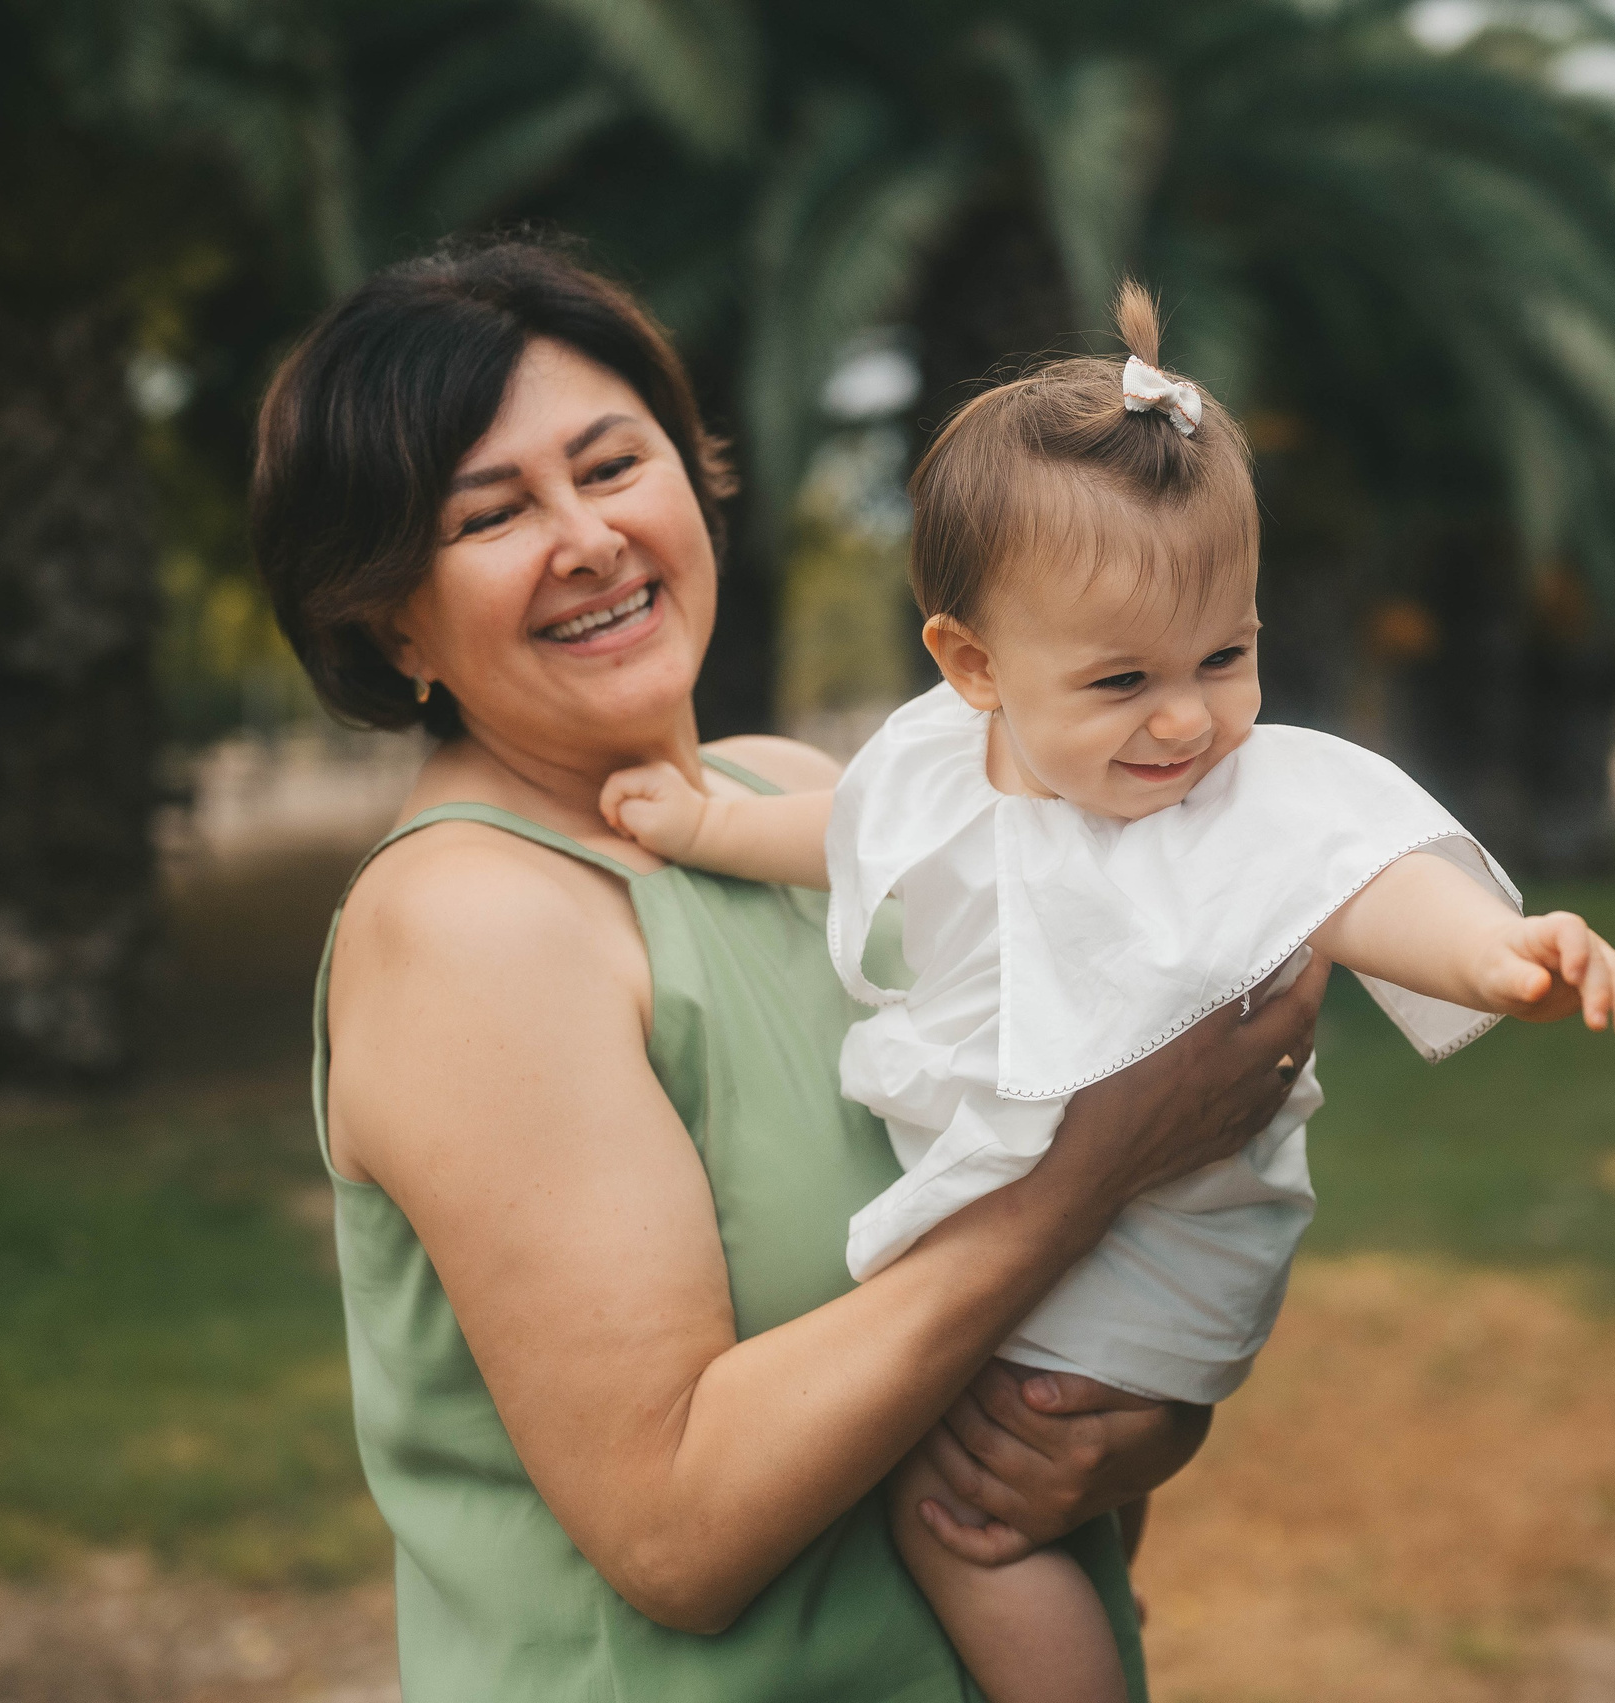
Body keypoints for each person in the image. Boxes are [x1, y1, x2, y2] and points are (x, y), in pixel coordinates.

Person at [249, 240, 1332, 1702]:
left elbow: (1023, 1299)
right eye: (492, 512)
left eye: (612, 464)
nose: (585, 537)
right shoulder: (472, 923)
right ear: (390, 619)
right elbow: (678, 1528)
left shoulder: (799, 797)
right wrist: (1089, 1167)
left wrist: (1126, 1428)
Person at [600, 282, 1615, 1703]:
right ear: (972, 666)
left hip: (1168, 1235)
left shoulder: (1253, 795)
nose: (1186, 718)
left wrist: (1505, 957)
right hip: (1057, 1206)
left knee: (960, 1518)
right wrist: (705, 827)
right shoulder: (940, 762)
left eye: (1227, 656)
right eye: (1121, 680)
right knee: (1056, 1495)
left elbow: (1372, 882)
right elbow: (854, 834)